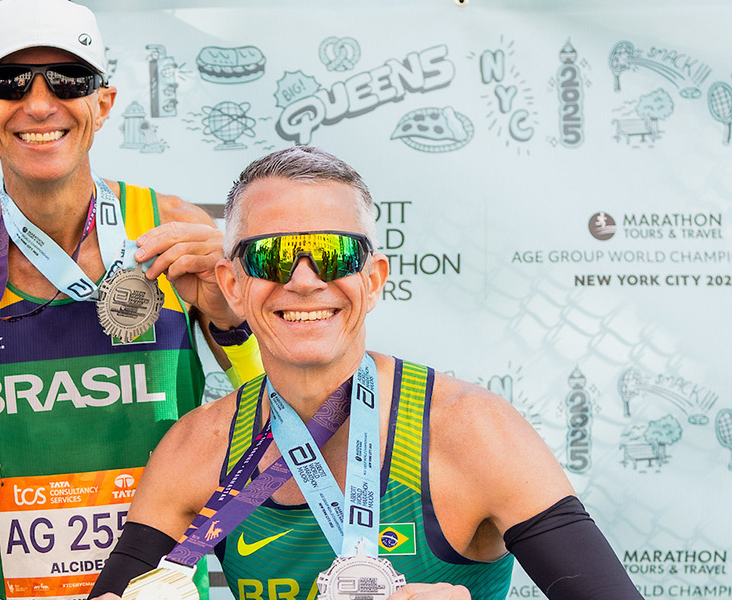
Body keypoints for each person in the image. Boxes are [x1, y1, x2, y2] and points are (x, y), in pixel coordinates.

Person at [89, 146, 642, 600]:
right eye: (270, 257)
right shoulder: (197, 448)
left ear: (373, 280)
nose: (304, 280)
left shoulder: (472, 431)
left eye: (334, 255)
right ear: (233, 286)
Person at [0, 0, 263, 597]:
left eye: (69, 80)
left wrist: (230, 319)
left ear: (104, 103)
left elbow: (284, 427)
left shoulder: (172, 231)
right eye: (10, 82)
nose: (40, 104)